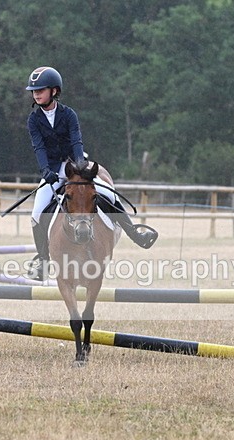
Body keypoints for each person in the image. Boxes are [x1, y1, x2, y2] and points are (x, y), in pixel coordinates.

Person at [25, 66, 158, 280]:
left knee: (108, 195)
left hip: (76, 163)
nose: (36, 93)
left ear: (54, 91)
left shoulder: (68, 114)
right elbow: (38, 147)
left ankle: (135, 234)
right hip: (52, 169)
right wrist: (45, 171)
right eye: (34, 90)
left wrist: (80, 166)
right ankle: (42, 259)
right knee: (37, 213)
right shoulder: (33, 120)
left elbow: (76, 140)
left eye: (41, 89)